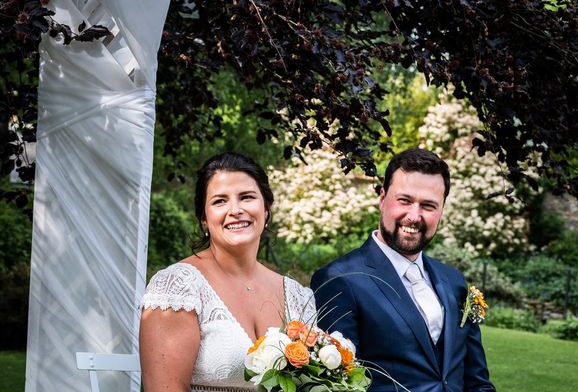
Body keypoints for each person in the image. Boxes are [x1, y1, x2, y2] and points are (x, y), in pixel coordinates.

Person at [311, 148, 495, 392]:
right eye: (405, 200)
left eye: (428, 206)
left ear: (441, 210)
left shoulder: (453, 281)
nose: (414, 216)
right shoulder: (339, 279)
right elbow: (337, 384)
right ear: (382, 197)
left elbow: (477, 380)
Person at [140, 152, 316, 392]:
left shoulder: (298, 295)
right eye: (220, 201)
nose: (235, 209)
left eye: (246, 197)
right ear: (204, 218)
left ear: (266, 209)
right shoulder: (177, 288)